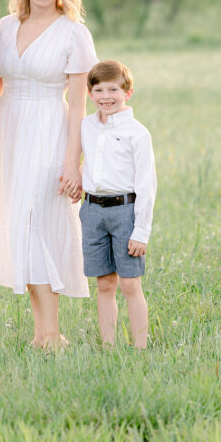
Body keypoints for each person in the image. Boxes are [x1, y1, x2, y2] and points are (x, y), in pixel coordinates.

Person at [0, 0, 97, 349]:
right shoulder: (4, 27)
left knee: (40, 225)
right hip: (10, 132)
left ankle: (51, 334)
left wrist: (73, 162)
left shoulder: (73, 33)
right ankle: (43, 333)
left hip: (51, 132)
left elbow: (79, 103)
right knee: (19, 230)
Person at [79, 59, 156, 349]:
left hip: (125, 212)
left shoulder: (138, 133)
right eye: (98, 90)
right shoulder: (87, 125)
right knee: (104, 284)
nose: (106, 97)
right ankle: (108, 346)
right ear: (90, 94)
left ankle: (140, 347)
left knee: (130, 284)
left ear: (128, 92)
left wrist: (141, 231)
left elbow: (147, 185)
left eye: (113, 90)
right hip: (92, 211)